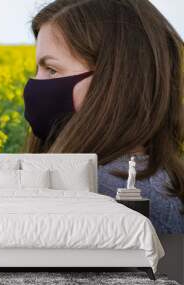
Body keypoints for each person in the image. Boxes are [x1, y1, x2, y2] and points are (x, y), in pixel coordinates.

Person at [21, 0, 184, 233]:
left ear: (115, 82)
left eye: (52, 69)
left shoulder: (107, 195)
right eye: (38, 69)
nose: (35, 84)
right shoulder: (156, 181)